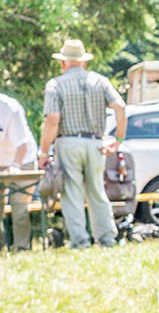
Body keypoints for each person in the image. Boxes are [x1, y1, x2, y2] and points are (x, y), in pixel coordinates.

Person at [38, 38, 126, 249]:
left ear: (63, 63)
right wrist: (118, 140)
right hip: (96, 142)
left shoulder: (55, 84)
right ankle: (106, 239)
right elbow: (121, 107)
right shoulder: (100, 81)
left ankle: (80, 241)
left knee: (71, 193)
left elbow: (52, 120)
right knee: (97, 191)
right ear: (84, 62)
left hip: (68, 142)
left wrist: (43, 153)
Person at [0, 90, 38, 251]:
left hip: (23, 160)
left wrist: (15, 165)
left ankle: (22, 247)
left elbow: (22, 144)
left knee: (19, 206)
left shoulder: (9, 107)